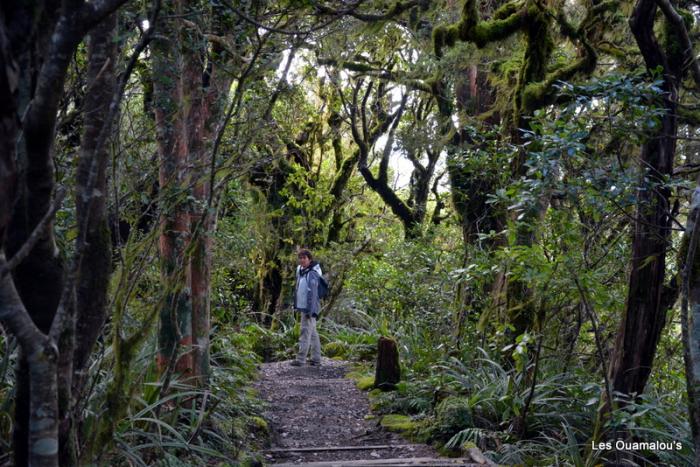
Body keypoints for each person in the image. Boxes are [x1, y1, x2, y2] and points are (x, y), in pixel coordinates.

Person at [291, 249, 322, 366]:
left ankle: (301, 359)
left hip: (309, 308)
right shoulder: (300, 270)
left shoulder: (312, 273)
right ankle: (316, 358)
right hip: (302, 305)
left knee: (304, 331)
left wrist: (310, 310)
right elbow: (298, 287)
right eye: (300, 258)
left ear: (310, 259)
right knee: (313, 332)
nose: (302, 260)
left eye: (304, 258)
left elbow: (313, 294)